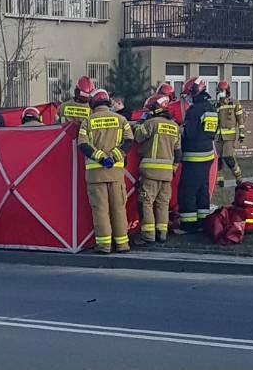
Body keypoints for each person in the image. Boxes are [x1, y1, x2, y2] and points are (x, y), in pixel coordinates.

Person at [78, 88, 134, 254]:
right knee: (118, 209)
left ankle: (104, 245)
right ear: (108, 102)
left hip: (95, 174)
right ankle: (123, 244)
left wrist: (101, 157)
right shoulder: (121, 119)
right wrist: (114, 157)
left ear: (93, 103)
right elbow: (129, 141)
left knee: (100, 210)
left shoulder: (87, 121)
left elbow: (83, 145)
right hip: (116, 173)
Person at [134, 94, 182, 245]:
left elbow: (137, 137)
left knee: (146, 202)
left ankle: (148, 235)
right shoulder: (174, 126)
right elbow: (178, 152)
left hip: (150, 172)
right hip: (167, 173)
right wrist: (173, 168)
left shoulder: (151, 123)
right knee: (162, 203)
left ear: (155, 109)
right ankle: (162, 233)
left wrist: (141, 121)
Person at [177, 79, 217, 233]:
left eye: (188, 94)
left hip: (193, 156)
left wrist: (179, 129)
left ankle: (188, 224)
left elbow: (189, 133)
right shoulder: (210, 108)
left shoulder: (194, 110)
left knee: (187, 190)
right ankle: (203, 220)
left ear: (194, 92)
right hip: (207, 155)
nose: (187, 98)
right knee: (202, 189)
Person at [215, 81, 245, 186]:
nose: (220, 93)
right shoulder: (217, 104)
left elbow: (240, 119)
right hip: (218, 136)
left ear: (227, 91)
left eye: (222, 91)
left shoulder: (235, 103)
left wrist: (242, 133)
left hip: (230, 135)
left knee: (228, 157)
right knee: (218, 158)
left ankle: (238, 177)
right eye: (219, 91)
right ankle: (220, 180)